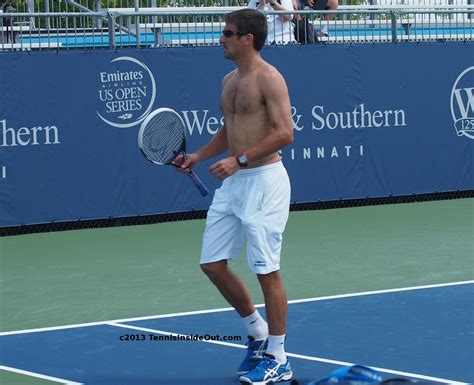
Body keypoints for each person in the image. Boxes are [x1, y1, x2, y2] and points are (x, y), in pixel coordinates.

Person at [173, 8, 294, 385]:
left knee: (266, 270)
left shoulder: (270, 79)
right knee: (212, 264)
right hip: (235, 183)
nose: (220, 38)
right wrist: (198, 155)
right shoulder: (228, 80)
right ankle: (257, 331)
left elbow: (286, 133)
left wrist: (239, 161)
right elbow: (229, 130)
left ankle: (278, 356)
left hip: (264, 182)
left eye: (227, 33)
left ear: (247, 39)